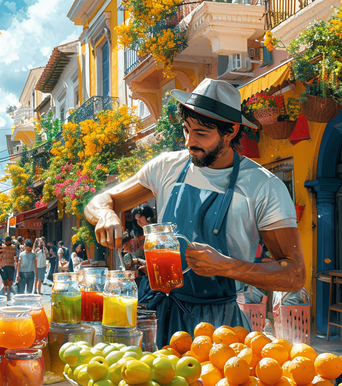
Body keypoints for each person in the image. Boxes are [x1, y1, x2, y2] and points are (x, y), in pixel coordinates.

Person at [84, 78, 306, 347]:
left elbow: (294, 274)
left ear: (231, 130)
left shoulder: (263, 186)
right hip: (157, 314)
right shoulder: (166, 167)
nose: (190, 142)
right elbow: (101, 201)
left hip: (219, 328)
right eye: (186, 129)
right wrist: (106, 214)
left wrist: (226, 266)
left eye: (201, 133)